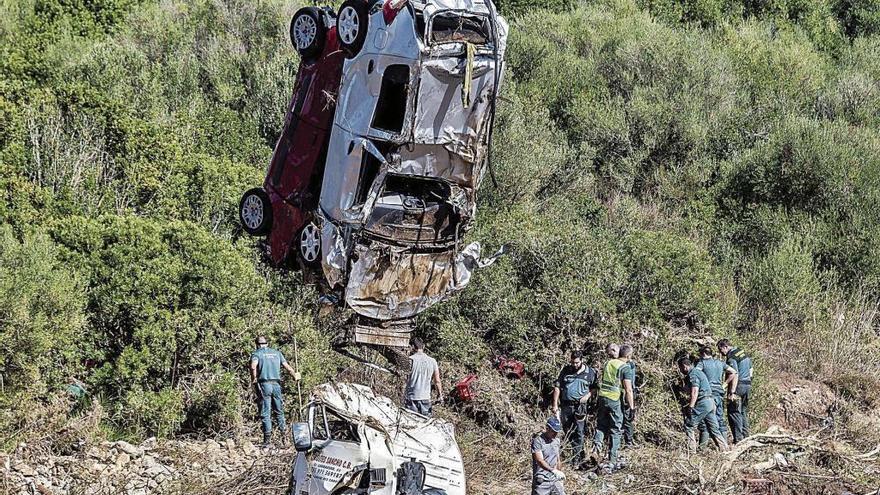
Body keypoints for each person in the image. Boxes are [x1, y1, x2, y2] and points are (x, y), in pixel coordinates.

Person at [590, 343, 634, 473]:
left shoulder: (608, 363)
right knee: (616, 429)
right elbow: (628, 389)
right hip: (615, 399)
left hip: (602, 397)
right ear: (628, 355)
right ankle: (612, 459)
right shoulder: (625, 368)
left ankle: (596, 450)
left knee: (601, 426)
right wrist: (632, 407)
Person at [250, 336, 300, 446]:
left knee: (266, 413)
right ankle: (284, 439)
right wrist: (295, 375)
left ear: (257, 344)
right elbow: (287, 367)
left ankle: (267, 442)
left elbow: (253, 366)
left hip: (265, 385)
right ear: (267, 344)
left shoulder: (257, 354)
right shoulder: (276, 353)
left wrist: (254, 379)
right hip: (276, 385)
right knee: (279, 411)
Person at [551, 350, 597, 466]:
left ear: (581, 360)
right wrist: (555, 404)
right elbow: (557, 386)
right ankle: (576, 453)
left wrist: (587, 396)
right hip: (566, 405)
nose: (574, 365)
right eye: (572, 362)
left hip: (580, 406)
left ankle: (577, 458)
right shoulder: (566, 370)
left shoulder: (590, 372)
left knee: (579, 431)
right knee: (568, 430)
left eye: (576, 362)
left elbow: (594, 388)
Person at [677, 357, 729, 452]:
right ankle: (725, 449)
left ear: (684, 366)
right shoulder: (699, 373)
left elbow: (695, 391)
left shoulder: (693, 374)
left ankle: (691, 451)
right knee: (713, 428)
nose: (681, 371)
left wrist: (691, 406)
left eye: (680, 368)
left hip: (703, 402)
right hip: (710, 402)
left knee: (689, 425)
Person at [695, 346, 736, 447]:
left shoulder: (702, 363)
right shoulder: (719, 363)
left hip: (708, 394)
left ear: (703, 354)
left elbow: (695, 373)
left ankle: (702, 448)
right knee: (720, 418)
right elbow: (733, 372)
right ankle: (724, 445)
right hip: (719, 393)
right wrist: (724, 385)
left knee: (705, 420)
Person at [718, 339, 752, 443]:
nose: (721, 353)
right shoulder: (742, 352)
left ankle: (738, 440)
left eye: (720, 350)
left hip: (738, 386)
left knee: (734, 412)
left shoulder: (731, 357)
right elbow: (751, 369)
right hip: (747, 384)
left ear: (725, 347)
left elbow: (735, 374)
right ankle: (746, 437)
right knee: (743, 411)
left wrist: (731, 391)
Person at [405, 337, 443, 416]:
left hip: (412, 398)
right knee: (426, 425)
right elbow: (437, 381)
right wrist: (440, 395)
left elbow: (403, 377)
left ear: (412, 346)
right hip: (425, 398)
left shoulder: (409, 360)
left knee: (411, 424)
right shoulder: (432, 361)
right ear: (424, 346)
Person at [532, 417, 566, 495]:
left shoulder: (556, 441)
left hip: (554, 479)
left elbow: (557, 459)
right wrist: (553, 471)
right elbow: (540, 460)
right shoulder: (538, 441)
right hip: (542, 480)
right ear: (547, 428)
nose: (555, 434)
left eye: (556, 432)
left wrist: (559, 472)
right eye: (553, 431)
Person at [619, 345, 639, 448]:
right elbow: (628, 388)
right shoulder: (622, 365)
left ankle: (629, 441)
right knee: (625, 416)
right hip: (623, 393)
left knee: (628, 418)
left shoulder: (630, 364)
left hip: (629, 392)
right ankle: (626, 441)